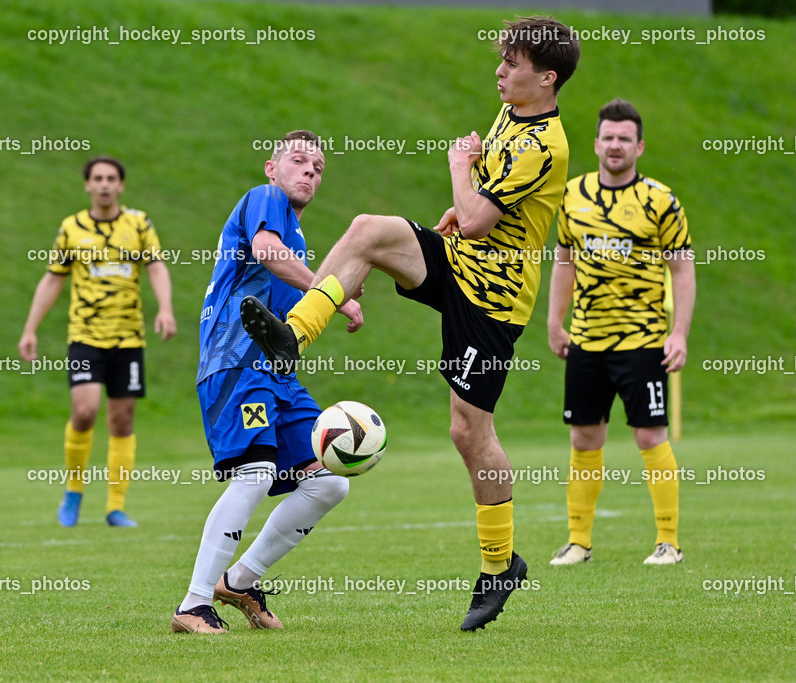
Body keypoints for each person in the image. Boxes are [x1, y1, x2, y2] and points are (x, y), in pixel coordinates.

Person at [240, 16, 580, 631]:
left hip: (493, 302)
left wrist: (460, 167)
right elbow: (487, 212)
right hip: (462, 263)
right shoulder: (512, 113)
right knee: (370, 229)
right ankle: (296, 332)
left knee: (468, 433)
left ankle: (500, 565)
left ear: (547, 77)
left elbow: (480, 216)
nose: (499, 71)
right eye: (500, 60)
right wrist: (468, 199)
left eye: (512, 64)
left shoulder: (544, 142)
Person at [172, 130, 364, 634]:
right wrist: (335, 291)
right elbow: (264, 250)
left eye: (318, 168)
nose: (309, 171)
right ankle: (193, 605)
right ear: (270, 167)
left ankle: (239, 581)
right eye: (299, 160)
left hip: (277, 373)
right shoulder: (265, 201)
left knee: (329, 481)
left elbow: (292, 314)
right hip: (235, 363)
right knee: (254, 475)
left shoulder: (297, 241)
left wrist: (330, 292)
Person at [547, 98, 695, 566]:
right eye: (608, 137)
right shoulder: (573, 195)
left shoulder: (661, 201)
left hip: (643, 340)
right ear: (596, 144)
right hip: (587, 340)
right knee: (584, 439)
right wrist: (555, 319)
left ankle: (668, 542)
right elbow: (564, 261)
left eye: (624, 139)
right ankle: (578, 543)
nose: (615, 145)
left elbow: (683, 269)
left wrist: (679, 334)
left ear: (639, 146)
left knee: (650, 436)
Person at [18, 155, 176, 528]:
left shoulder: (138, 224)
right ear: (87, 185)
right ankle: (73, 492)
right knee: (85, 411)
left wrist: (165, 308)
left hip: (128, 338)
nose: (104, 184)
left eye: (111, 178)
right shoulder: (71, 228)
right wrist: (30, 328)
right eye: (98, 178)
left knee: (121, 420)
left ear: (121, 185)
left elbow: (156, 266)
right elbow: (53, 278)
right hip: (85, 337)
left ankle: (115, 507)